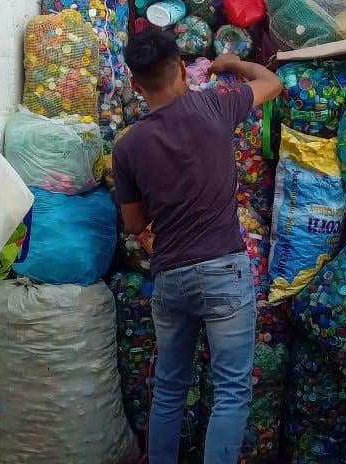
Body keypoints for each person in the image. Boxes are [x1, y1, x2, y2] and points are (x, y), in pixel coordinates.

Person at [112, 31, 282, 464]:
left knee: (169, 389)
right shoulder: (215, 104)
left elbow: (134, 224)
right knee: (231, 391)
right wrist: (231, 63)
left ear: (136, 85)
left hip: (171, 277)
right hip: (225, 272)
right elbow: (271, 82)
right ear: (181, 70)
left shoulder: (127, 146)